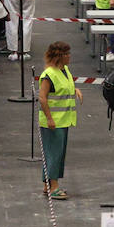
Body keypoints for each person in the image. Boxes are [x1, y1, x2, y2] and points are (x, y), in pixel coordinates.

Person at [38, 41, 80, 200]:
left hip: (64, 120)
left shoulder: (65, 70)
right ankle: (53, 187)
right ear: (59, 56)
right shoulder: (48, 74)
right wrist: (49, 118)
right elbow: (42, 98)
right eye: (66, 54)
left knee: (55, 153)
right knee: (53, 154)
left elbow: (64, 87)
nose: (69, 57)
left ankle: (47, 184)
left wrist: (75, 89)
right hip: (53, 122)